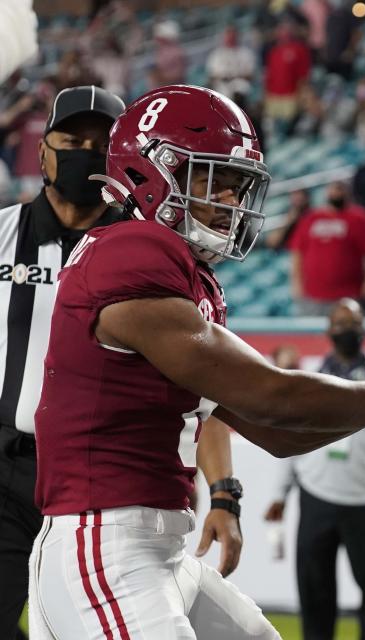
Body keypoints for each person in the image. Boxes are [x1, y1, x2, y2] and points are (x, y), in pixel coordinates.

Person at [26, 85, 365, 640]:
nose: (232, 201)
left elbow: (280, 432)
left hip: (160, 549)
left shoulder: (177, 269)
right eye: (216, 181)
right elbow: (271, 395)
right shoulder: (130, 253)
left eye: (237, 185)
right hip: (104, 547)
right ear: (152, 172)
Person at [0, 85, 241, 639]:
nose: (84, 151)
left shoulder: (155, 248)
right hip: (8, 461)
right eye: (70, 139)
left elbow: (209, 383)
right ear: (42, 151)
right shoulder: (4, 235)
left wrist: (225, 491)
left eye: (98, 141)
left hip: (102, 477)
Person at [265, 299, 365, 640]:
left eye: (353, 323)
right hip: (316, 493)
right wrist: (280, 494)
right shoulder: (310, 378)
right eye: (340, 324)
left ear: (364, 329)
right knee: (315, 590)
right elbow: (294, 438)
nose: (346, 330)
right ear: (328, 331)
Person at [288, 181, 365, 316]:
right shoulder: (311, 218)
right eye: (333, 190)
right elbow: (297, 252)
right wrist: (296, 283)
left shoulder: (359, 218)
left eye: (340, 190)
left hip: (348, 294)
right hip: (313, 295)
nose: (336, 194)